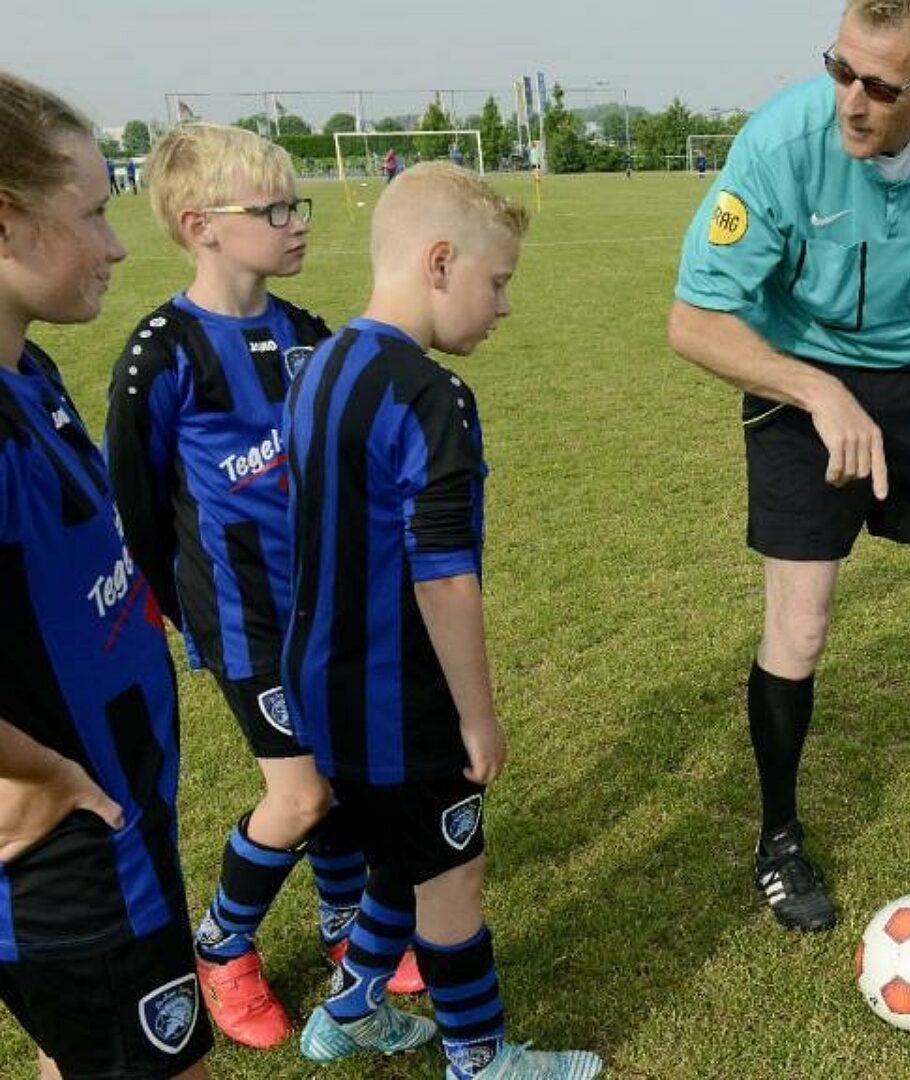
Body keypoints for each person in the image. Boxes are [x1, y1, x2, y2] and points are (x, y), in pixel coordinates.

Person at [668, 0, 910, 934]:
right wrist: (819, 391)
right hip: (795, 375)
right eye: (840, 69)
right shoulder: (780, 142)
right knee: (800, 624)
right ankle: (778, 839)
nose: (851, 99)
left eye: (881, 86)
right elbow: (693, 322)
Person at [104, 121, 422, 1051]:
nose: (298, 222)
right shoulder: (162, 353)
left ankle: (341, 924)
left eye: (296, 205)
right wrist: (181, 616)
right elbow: (135, 504)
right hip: (242, 619)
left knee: (342, 778)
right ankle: (222, 946)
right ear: (200, 225)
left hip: (326, 608)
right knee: (301, 797)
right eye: (274, 209)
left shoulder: (306, 335)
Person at [284, 163, 601, 1078]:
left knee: (401, 848)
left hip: (322, 680)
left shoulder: (318, 364)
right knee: (453, 875)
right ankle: (480, 1057)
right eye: (495, 282)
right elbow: (444, 579)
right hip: (400, 692)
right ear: (438, 263)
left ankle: (351, 1010)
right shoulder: (430, 395)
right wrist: (477, 716)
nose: (503, 306)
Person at [0, 70, 214, 1080]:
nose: (117, 245)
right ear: (5, 221)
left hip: (115, 820)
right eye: (91, 213)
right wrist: (44, 774)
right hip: (72, 858)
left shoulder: (28, 374)